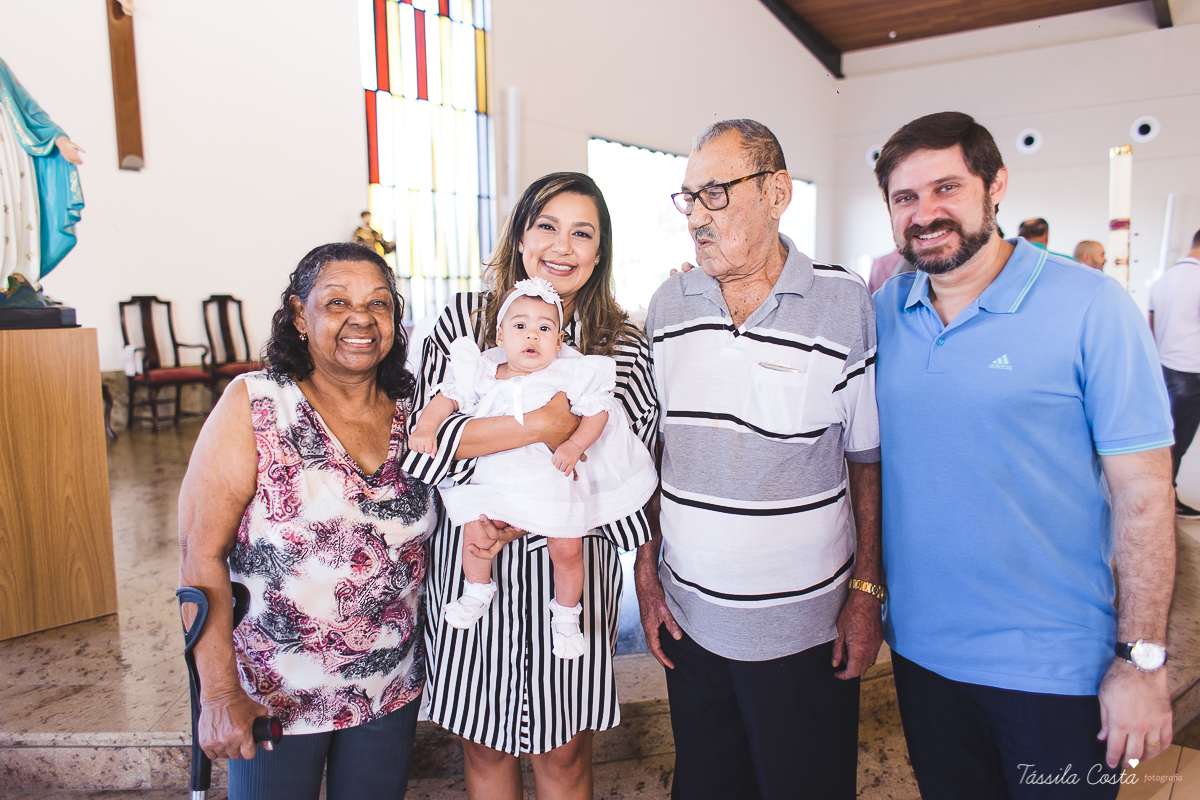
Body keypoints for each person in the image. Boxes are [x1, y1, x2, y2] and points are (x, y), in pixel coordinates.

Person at [873, 112, 1176, 799]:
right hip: (923, 661)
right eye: (905, 198)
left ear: (995, 184)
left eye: (946, 187)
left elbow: (1145, 495)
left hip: (1053, 672)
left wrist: (1142, 661)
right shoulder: (887, 309)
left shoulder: (1092, 306)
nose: (926, 214)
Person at [637, 119, 883, 799]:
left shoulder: (843, 303)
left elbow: (866, 459)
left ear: (777, 192)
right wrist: (648, 574)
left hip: (806, 630)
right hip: (690, 625)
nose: (695, 218)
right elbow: (652, 453)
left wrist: (866, 592)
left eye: (713, 194)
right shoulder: (668, 306)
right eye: (686, 199)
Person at [401, 172, 658, 799]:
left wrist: (520, 466)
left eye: (582, 233)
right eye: (546, 226)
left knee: (565, 755)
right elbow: (433, 444)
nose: (561, 245)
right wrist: (545, 424)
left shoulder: (619, 342)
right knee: (484, 747)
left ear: (600, 253)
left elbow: (629, 463)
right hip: (474, 562)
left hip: (568, 571)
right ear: (520, 237)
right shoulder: (468, 320)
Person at [177, 242, 436, 799]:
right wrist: (219, 694)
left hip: (388, 689)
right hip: (275, 697)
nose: (361, 317)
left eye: (379, 303)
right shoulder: (256, 403)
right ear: (299, 314)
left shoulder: (420, 416)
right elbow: (199, 554)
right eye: (336, 302)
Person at [409, 277, 657, 658]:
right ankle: (477, 589)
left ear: (559, 342)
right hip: (494, 480)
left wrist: (574, 445)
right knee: (475, 534)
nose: (532, 336)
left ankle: (566, 615)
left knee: (567, 549)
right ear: (500, 335)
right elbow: (447, 399)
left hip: (550, 479)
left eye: (544, 328)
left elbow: (600, 410)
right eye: (520, 326)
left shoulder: (568, 373)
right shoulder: (484, 371)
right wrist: (427, 427)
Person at [0, 57, 85, 304]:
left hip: (9, 156)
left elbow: (27, 107)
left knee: (12, 213)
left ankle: (13, 278)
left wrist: (58, 138)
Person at [1149, 228, 1200, 519]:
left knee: (1167, 439)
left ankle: (1164, 495)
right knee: (1178, 443)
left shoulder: (1165, 279)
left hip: (1165, 366)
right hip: (1192, 371)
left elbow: (1152, 323)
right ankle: (1167, 499)